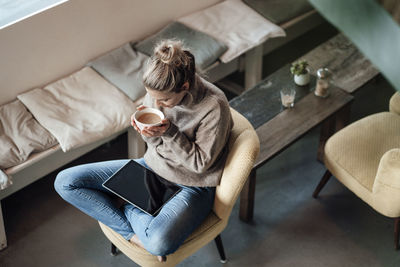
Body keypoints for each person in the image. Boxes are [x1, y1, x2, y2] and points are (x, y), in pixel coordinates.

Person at [54, 39, 233, 262]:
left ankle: (128, 205)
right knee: (65, 181)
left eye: (165, 100)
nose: (158, 104)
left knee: (159, 243)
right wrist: (147, 133)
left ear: (184, 87)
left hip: (192, 185)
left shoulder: (213, 106)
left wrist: (169, 133)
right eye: (154, 97)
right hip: (151, 168)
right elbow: (156, 147)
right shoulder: (158, 92)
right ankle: (131, 231)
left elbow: (199, 165)